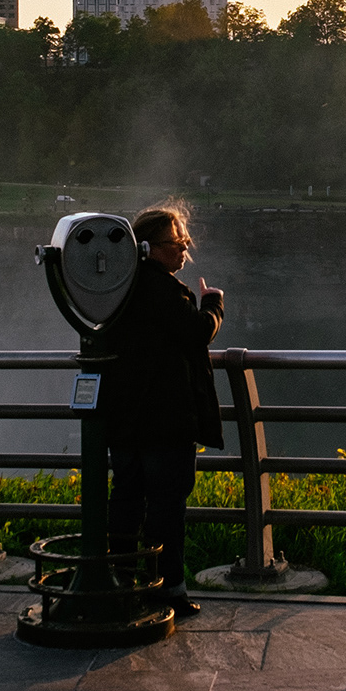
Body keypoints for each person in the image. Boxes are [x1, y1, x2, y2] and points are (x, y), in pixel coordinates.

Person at [101, 199, 225, 619]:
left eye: (185, 240)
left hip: (125, 419)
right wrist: (213, 304)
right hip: (165, 420)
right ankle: (168, 589)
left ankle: (121, 582)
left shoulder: (119, 290)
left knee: (127, 501)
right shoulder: (162, 290)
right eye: (177, 241)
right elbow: (196, 332)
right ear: (146, 248)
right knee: (167, 508)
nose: (184, 248)